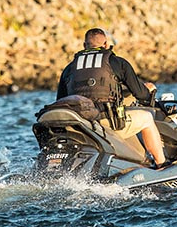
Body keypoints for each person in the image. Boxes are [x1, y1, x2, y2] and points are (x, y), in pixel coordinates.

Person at [56, 28, 167, 168]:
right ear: (106, 44)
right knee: (147, 119)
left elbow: (61, 100)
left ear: (85, 45)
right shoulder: (117, 62)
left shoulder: (69, 68)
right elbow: (141, 95)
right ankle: (161, 164)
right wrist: (149, 90)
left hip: (81, 124)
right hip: (106, 122)